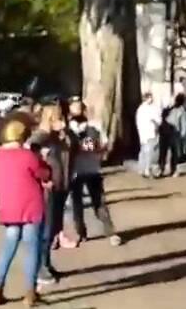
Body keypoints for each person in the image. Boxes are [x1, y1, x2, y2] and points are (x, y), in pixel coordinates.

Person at [0, 115, 51, 307]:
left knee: (7, 249)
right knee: (32, 249)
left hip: (8, 207)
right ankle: (30, 293)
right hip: (30, 206)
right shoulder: (28, 156)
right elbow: (44, 173)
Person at [67, 98, 122, 246]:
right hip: (74, 171)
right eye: (73, 107)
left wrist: (96, 149)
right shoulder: (67, 128)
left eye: (79, 107)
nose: (77, 110)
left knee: (99, 202)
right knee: (77, 204)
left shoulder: (94, 127)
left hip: (92, 169)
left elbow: (103, 146)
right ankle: (80, 233)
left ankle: (111, 232)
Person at [32, 101, 71, 287]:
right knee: (45, 230)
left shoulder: (62, 137)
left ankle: (46, 263)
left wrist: (95, 144)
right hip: (47, 190)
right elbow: (30, 154)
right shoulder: (41, 137)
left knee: (54, 228)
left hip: (62, 186)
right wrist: (41, 175)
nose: (62, 121)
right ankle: (40, 268)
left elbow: (85, 147)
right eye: (58, 118)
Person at [136, 92, 161, 179]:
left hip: (143, 134)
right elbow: (157, 120)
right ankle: (149, 170)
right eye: (150, 97)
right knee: (151, 153)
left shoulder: (140, 109)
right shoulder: (150, 109)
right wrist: (157, 125)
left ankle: (142, 169)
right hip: (150, 133)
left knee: (144, 152)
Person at [160, 94, 186, 176]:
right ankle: (167, 169)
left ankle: (167, 169)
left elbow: (183, 122)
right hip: (170, 132)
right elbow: (184, 123)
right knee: (169, 152)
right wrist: (183, 133)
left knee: (170, 152)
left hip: (171, 132)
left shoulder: (179, 110)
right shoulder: (173, 109)